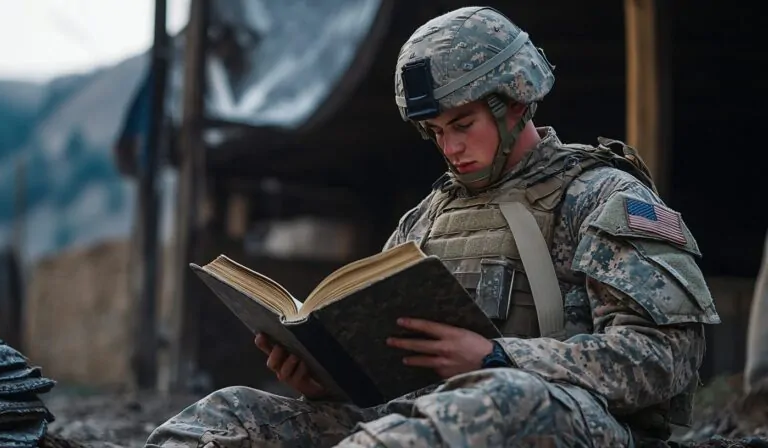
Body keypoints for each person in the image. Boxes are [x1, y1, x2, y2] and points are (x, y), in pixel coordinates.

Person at [145, 6, 721, 447]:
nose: (449, 147)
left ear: (515, 101)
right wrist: (327, 377)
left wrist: (496, 359)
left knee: (504, 399)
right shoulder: (424, 220)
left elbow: (663, 360)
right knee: (232, 415)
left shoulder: (602, 197)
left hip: (558, 420)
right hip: (418, 423)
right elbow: (387, 365)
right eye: (435, 132)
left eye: (463, 123)